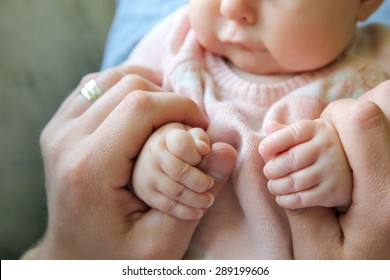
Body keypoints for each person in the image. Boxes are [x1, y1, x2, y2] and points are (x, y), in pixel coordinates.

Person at [22, 0, 390, 260]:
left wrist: (346, 179)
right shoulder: (175, 40)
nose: (233, 7)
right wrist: (153, 161)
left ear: (366, 3)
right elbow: (114, 137)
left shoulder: (380, 64)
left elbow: (380, 186)